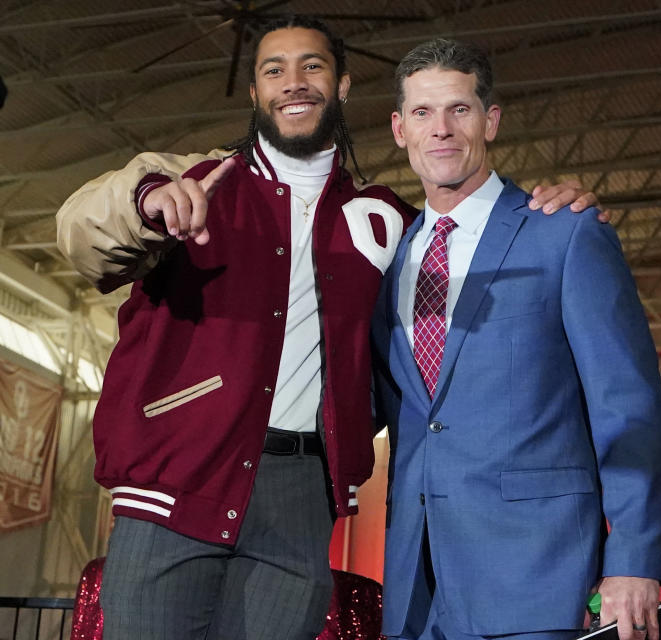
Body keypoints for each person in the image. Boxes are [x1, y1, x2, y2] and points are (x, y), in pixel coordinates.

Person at [55, 17, 599, 640]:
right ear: (254, 94)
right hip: (178, 483)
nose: (294, 83)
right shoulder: (195, 180)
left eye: (311, 66)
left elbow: (465, 241)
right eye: (273, 69)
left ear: (341, 86)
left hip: (300, 497)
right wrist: (146, 203)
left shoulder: (384, 220)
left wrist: (551, 206)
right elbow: (80, 228)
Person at [372, 38, 661, 640]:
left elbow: (627, 404)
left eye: (459, 109)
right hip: (417, 584)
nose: (442, 130)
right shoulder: (389, 256)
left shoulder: (564, 235)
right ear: (399, 129)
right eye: (424, 113)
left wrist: (635, 559)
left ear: (490, 120)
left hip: (539, 576)